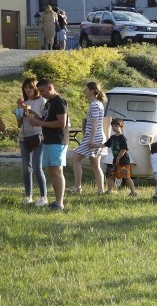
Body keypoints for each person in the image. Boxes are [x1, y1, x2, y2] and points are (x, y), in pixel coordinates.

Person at [26, 79, 68, 210]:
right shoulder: (49, 103)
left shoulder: (59, 102)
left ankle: (60, 203)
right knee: (52, 171)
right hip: (48, 140)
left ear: (50, 87)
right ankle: (56, 201)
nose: (41, 94)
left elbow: (62, 123)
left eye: (42, 91)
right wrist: (34, 116)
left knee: (57, 171)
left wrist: (41, 124)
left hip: (58, 140)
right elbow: (44, 119)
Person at [68, 81, 106, 195]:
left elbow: (94, 123)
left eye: (86, 89)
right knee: (95, 164)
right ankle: (100, 190)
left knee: (75, 159)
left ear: (92, 90)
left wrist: (91, 139)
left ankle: (77, 187)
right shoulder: (99, 103)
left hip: (93, 137)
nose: (85, 91)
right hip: (99, 137)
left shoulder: (94, 105)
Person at [16, 78, 48, 206]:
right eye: (25, 87)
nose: (28, 90)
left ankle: (43, 197)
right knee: (26, 168)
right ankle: (28, 196)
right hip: (24, 137)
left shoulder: (42, 101)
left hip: (37, 136)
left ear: (35, 88)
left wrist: (28, 110)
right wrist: (19, 112)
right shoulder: (23, 102)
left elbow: (41, 119)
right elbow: (19, 124)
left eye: (30, 87)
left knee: (37, 167)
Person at [103, 119, 137, 196]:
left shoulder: (122, 138)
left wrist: (118, 158)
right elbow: (105, 144)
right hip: (115, 160)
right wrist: (95, 145)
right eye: (113, 126)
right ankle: (109, 191)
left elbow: (124, 149)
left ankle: (133, 192)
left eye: (116, 126)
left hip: (123, 161)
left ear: (121, 127)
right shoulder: (112, 137)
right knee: (111, 176)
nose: (114, 127)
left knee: (126, 177)